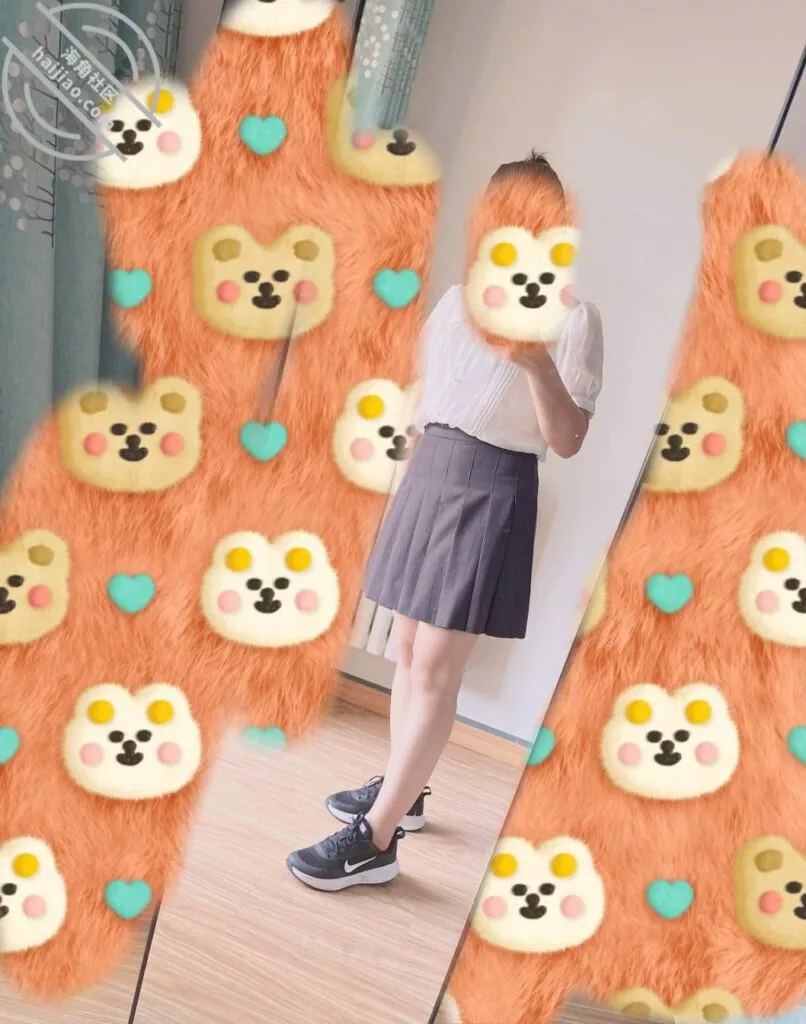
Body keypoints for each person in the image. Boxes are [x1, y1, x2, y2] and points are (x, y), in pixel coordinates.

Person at [286, 152, 604, 891]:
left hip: (493, 486)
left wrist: (537, 363)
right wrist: (401, 489)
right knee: (406, 649)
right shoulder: (458, 303)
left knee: (434, 666)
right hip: (430, 476)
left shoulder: (574, 320)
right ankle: (409, 790)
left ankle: (376, 840)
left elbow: (568, 439)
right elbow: (427, 407)